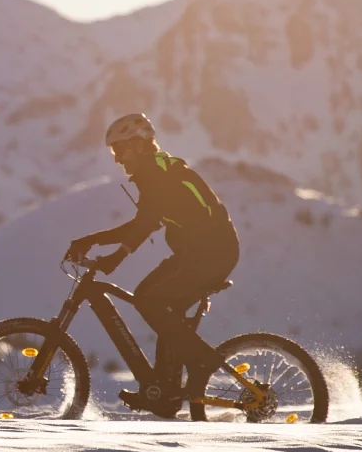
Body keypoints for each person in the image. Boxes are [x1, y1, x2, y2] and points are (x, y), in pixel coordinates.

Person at [64, 113, 238, 418]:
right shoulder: (157, 171)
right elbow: (150, 223)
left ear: (138, 144)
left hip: (211, 254)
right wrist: (114, 257)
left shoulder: (156, 173)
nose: (118, 160)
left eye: (120, 150)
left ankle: (203, 360)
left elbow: (142, 225)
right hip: (199, 253)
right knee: (149, 297)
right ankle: (165, 391)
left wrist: (93, 243)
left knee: (151, 302)